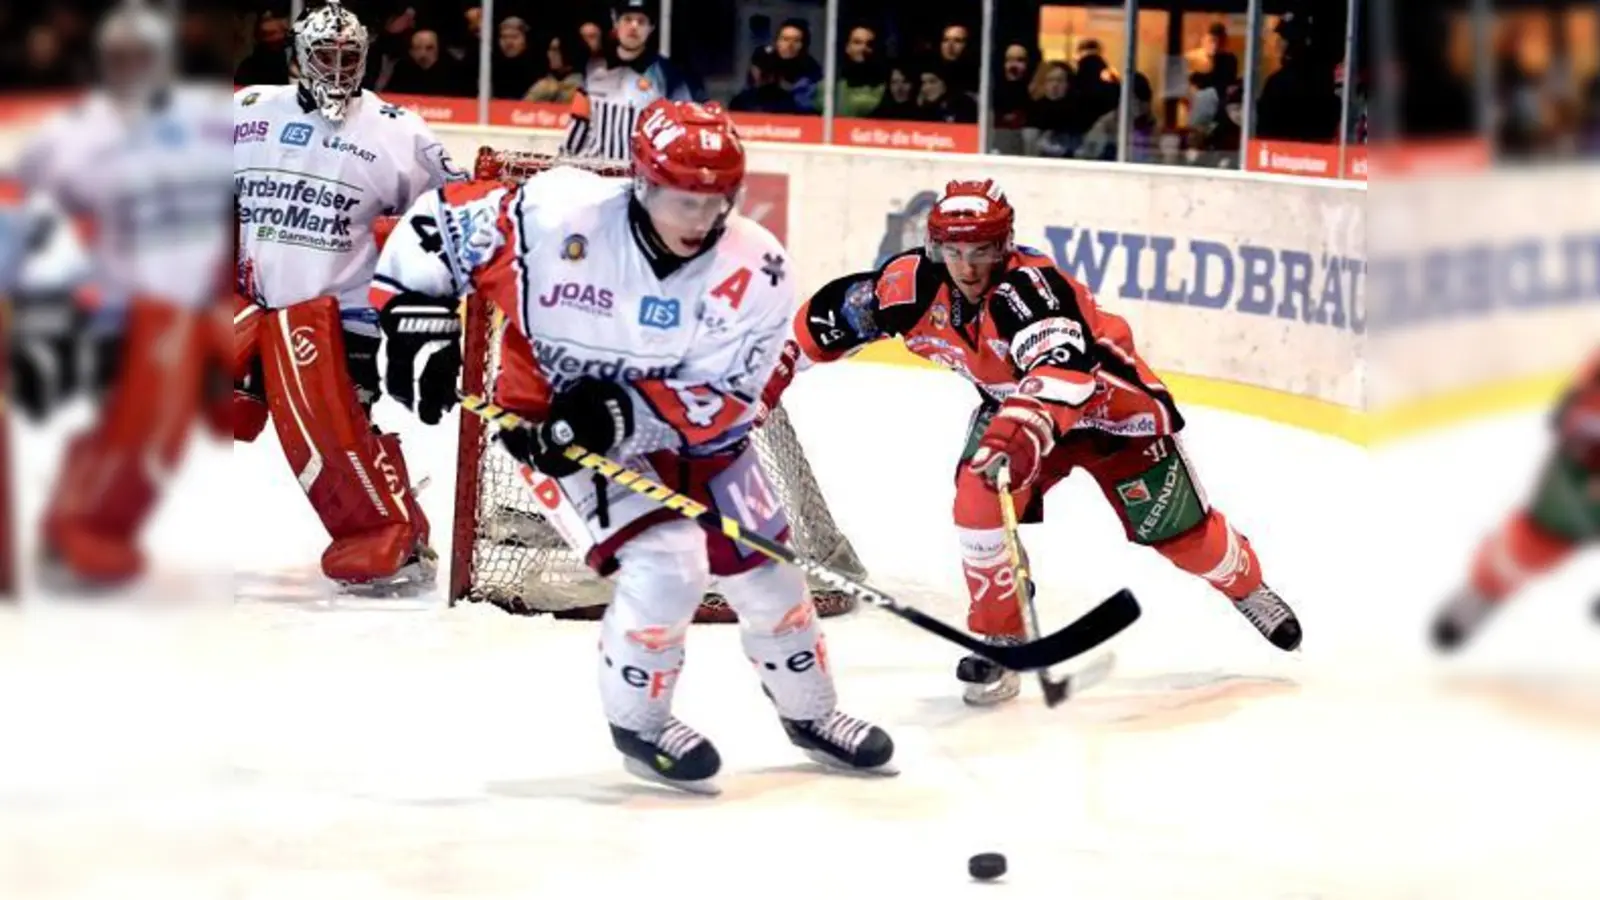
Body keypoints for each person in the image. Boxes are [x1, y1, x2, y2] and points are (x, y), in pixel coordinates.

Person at [369, 99, 895, 793]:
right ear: (642, 182)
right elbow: (435, 226)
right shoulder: (554, 217)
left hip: (695, 438)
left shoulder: (757, 268)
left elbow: (735, 396)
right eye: (684, 200)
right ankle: (641, 725)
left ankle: (811, 715)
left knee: (771, 574)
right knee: (668, 565)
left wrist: (622, 413)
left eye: (718, 201)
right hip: (550, 428)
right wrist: (416, 323)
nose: (701, 220)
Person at [762, 180, 1303, 706]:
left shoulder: (1030, 290)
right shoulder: (908, 288)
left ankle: (1245, 585)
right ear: (936, 247)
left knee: (1187, 539)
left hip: (1111, 417)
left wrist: (1018, 429)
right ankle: (1002, 635)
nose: (968, 266)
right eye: (954, 250)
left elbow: (1065, 372)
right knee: (977, 501)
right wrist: (760, 385)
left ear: (1005, 245)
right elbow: (822, 322)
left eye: (983, 249)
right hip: (1016, 412)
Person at [232, 1, 465, 596]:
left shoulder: (396, 128)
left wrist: (429, 296)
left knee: (335, 430)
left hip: (342, 316)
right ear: (296, 59)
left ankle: (393, 534)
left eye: (350, 57)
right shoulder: (248, 110)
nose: (338, 69)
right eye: (325, 56)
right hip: (255, 307)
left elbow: (457, 205)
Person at [14, 0, 233, 589]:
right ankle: (80, 529)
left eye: (144, 55)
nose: (133, 66)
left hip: (194, 308)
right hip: (116, 310)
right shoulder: (74, 131)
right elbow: (19, 204)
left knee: (149, 433)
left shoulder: (206, 120)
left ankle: (74, 524)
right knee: (133, 431)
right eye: (122, 56)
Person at [1431, 352, 1600, 649]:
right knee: (1529, 547)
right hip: (1572, 486)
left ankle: (1486, 587)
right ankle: (1484, 590)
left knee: (1533, 545)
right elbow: (1572, 411)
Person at [561, 0, 702, 162]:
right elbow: (578, 124)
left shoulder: (668, 74)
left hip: (643, 177)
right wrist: (565, 161)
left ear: (651, 28)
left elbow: (684, 127)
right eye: (627, 19)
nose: (634, 26)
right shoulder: (593, 66)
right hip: (593, 174)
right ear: (616, 23)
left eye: (641, 21)